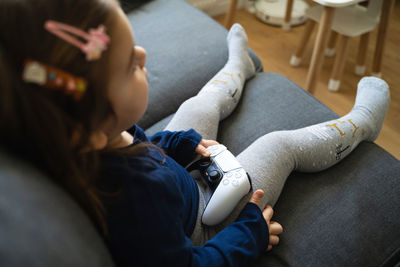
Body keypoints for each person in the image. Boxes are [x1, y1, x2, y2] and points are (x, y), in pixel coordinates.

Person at [0, 0, 390, 266]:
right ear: (92, 129)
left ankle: (240, 65)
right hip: (206, 220)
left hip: (175, 173)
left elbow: (141, 147)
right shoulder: (135, 204)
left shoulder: (92, 135)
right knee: (278, 145)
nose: (142, 55)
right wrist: (248, 234)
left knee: (196, 109)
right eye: (127, 67)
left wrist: (179, 143)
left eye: (132, 42)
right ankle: (360, 125)